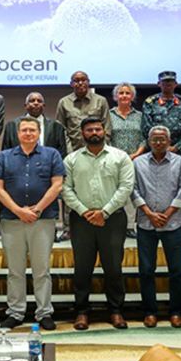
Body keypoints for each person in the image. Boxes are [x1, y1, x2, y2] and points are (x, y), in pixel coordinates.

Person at [63, 116, 135, 330]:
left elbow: (126, 187)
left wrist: (104, 212)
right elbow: (66, 189)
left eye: (97, 129)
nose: (94, 133)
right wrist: (85, 212)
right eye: (89, 130)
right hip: (81, 219)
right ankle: (82, 312)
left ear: (105, 132)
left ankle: (115, 311)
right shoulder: (71, 159)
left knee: (113, 267)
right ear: (82, 134)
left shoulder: (120, 157)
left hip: (112, 219)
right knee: (82, 268)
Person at [0, 117, 65, 330]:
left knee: (41, 270)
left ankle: (44, 313)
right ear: (18, 133)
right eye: (24, 130)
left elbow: (57, 185)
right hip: (12, 220)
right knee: (15, 270)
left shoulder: (52, 154)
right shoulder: (4, 157)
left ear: (38, 132)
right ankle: (15, 312)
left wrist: (37, 209)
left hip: (42, 220)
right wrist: (18, 210)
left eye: (32, 130)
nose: (28, 134)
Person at [132, 125, 181, 328]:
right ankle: (149, 311)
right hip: (146, 223)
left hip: (172, 223)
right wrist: (149, 212)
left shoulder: (180, 162)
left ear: (169, 141)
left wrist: (167, 214)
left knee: (177, 270)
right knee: (146, 270)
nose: (158, 142)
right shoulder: (138, 163)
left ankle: (176, 311)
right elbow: (133, 190)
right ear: (149, 142)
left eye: (162, 139)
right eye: (154, 139)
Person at [108, 82, 146, 238]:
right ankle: (114, 223)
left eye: (127, 93)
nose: (124, 96)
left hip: (136, 158)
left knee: (132, 190)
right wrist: (117, 154)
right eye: (121, 93)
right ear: (116, 96)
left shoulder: (140, 116)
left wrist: (136, 154)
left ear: (132, 96)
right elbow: (106, 137)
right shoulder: (108, 115)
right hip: (114, 158)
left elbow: (144, 138)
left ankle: (130, 225)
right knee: (115, 190)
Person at [55, 70, 110, 154]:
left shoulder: (101, 100)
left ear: (88, 82)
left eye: (83, 80)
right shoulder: (64, 102)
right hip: (73, 151)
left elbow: (107, 127)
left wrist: (101, 148)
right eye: (76, 81)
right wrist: (69, 151)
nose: (80, 83)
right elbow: (60, 130)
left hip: (97, 150)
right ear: (71, 84)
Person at [142, 70, 181, 157]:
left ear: (176, 84)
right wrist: (161, 145)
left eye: (171, 81)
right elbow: (146, 128)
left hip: (180, 151)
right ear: (159, 84)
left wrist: (177, 147)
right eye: (165, 81)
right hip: (156, 148)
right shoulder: (150, 103)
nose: (168, 83)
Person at [1, 92, 67, 153]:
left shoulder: (56, 127)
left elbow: (62, 153)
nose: (36, 103)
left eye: (39, 101)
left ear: (44, 105)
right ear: (25, 105)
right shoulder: (12, 125)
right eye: (32, 101)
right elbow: (6, 152)